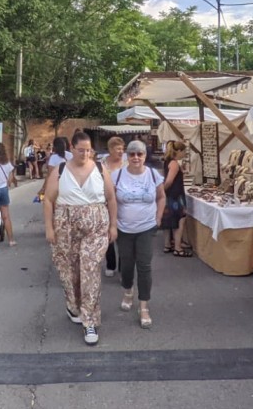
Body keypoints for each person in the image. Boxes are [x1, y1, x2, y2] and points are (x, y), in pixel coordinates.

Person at [43, 130, 118, 346]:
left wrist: (113, 225)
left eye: (88, 150)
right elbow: (48, 200)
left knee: (89, 269)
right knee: (69, 270)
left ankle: (90, 320)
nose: (85, 154)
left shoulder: (101, 169)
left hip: (96, 224)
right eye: (81, 150)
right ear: (71, 149)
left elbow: (111, 198)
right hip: (66, 225)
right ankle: (73, 305)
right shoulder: (61, 170)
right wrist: (49, 228)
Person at [113, 140, 164, 329]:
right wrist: (112, 224)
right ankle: (128, 291)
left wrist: (158, 216)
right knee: (126, 265)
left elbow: (161, 196)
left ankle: (144, 307)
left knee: (144, 266)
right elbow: (110, 199)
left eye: (139, 154)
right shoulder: (116, 175)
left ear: (144, 156)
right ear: (127, 156)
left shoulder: (152, 174)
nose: (136, 157)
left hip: (146, 227)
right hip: (124, 228)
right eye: (132, 154)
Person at [101, 136, 126, 277]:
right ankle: (111, 264)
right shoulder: (102, 163)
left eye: (122, 149)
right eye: (118, 149)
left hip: (123, 203)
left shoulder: (127, 163)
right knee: (107, 233)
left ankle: (124, 265)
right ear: (110, 149)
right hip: (105, 203)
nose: (121, 151)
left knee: (123, 235)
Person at [160, 140, 190, 256]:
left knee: (168, 220)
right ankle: (178, 248)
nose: (184, 153)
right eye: (184, 151)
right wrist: (162, 190)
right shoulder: (174, 163)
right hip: (175, 196)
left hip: (170, 195)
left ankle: (167, 245)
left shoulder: (167, 161)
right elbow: (169, 181)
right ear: (178, 151)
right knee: (179, 220)